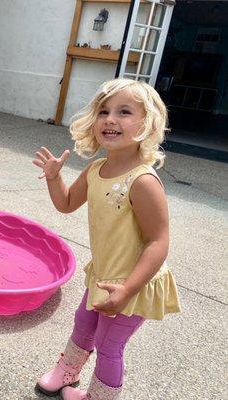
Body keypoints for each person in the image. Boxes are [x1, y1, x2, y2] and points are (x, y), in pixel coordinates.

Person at [32, 78, 181, 399]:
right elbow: (67, 203)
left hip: (134, 282)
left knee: (108, 345)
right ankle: (67, 372)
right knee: (83, 323)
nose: (110, 119)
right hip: (103, 275)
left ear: (147, 124)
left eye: (124, 112)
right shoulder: (96, 169)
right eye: (104, 111)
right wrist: (54, 178)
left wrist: (128, 289)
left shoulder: (143, 181)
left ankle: (99, 397)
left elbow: (159, 241)